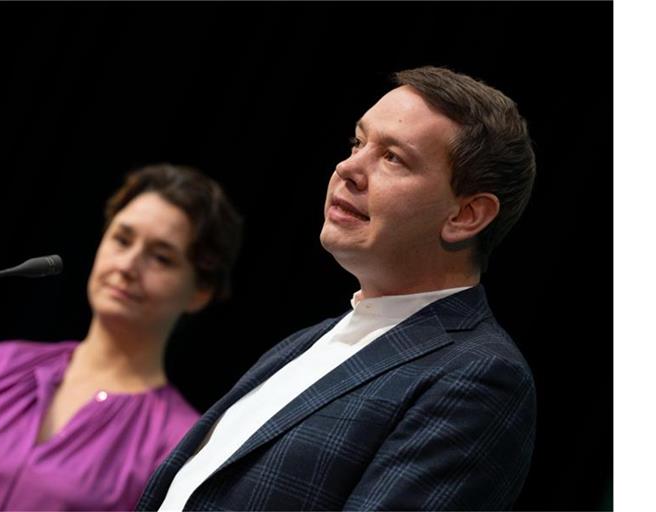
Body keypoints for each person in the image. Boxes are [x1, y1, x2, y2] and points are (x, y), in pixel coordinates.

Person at [136, 67, 537, 511]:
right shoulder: (310, 340)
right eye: (358, 143)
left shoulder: (477, 377)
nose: (348, 168)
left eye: (393, 158)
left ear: (466, 216)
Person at [0, 163, 243, 511]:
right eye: (122, 240)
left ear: (200, 291)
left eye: (161, 258)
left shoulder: (175, 443)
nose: (127, 266)